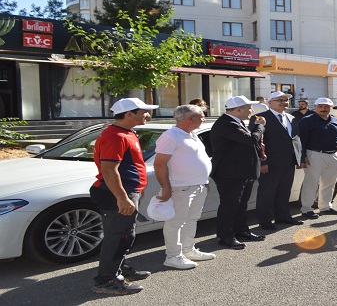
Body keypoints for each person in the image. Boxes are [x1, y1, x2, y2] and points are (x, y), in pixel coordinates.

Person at [89, 98, 158, 295]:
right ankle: (106, 280)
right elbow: (109, 170)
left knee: (123, 236)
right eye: (144, 111)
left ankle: (118, 270)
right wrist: (122, 198)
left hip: (124, 191)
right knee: (119, 237)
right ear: (129, 114)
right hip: (116, 194)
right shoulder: (116, 136)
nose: (148, 115)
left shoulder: (126, 133)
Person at [153, 104, 216, 270]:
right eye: (202, 115)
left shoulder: (191, 134)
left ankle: (188, 250)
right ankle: (173, 256)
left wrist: (204, 181)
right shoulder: (171, 136)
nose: (204, 118)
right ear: (191, 118)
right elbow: (159, 164)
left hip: (197, 186)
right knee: (175, 222)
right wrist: (166, 187)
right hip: (180, 187)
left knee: (192, 219)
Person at [210, 95, 267, 250]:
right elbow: (250, 140)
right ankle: (225, 236)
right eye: (249, 108)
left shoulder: (237, 122)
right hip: (229, 173)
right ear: (238, 109)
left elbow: (249, 144)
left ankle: (241, 231)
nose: (252, 111)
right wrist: (260, 126)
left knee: (241, 204)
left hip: (242, 171)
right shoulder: (226, 124)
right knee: (229, 205)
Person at [251, 91, 304, 229]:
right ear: (270, 102)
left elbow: (296, 139)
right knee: (267, 192)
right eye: (279, 100)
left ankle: (283, 217)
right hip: (270, 163)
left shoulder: (291, 117)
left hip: (289, 161)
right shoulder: (260, 117)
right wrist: (262, 162)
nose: (284, 102)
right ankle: (265, 220)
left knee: (284, 191)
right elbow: (256, 142)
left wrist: (300, 158)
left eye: (286, 100)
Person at [298, 98, 337, 219]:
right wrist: (302, 157)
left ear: (331, 108)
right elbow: (301, 140)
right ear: (315, 107)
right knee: (311, 183)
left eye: (326, 107)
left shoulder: (335, 120)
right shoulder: (307, 121)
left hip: (333, 155)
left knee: (329, 183)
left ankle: (325, 207)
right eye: (320, 106)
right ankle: (307, 209)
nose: (323, 109)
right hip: (314, 155)